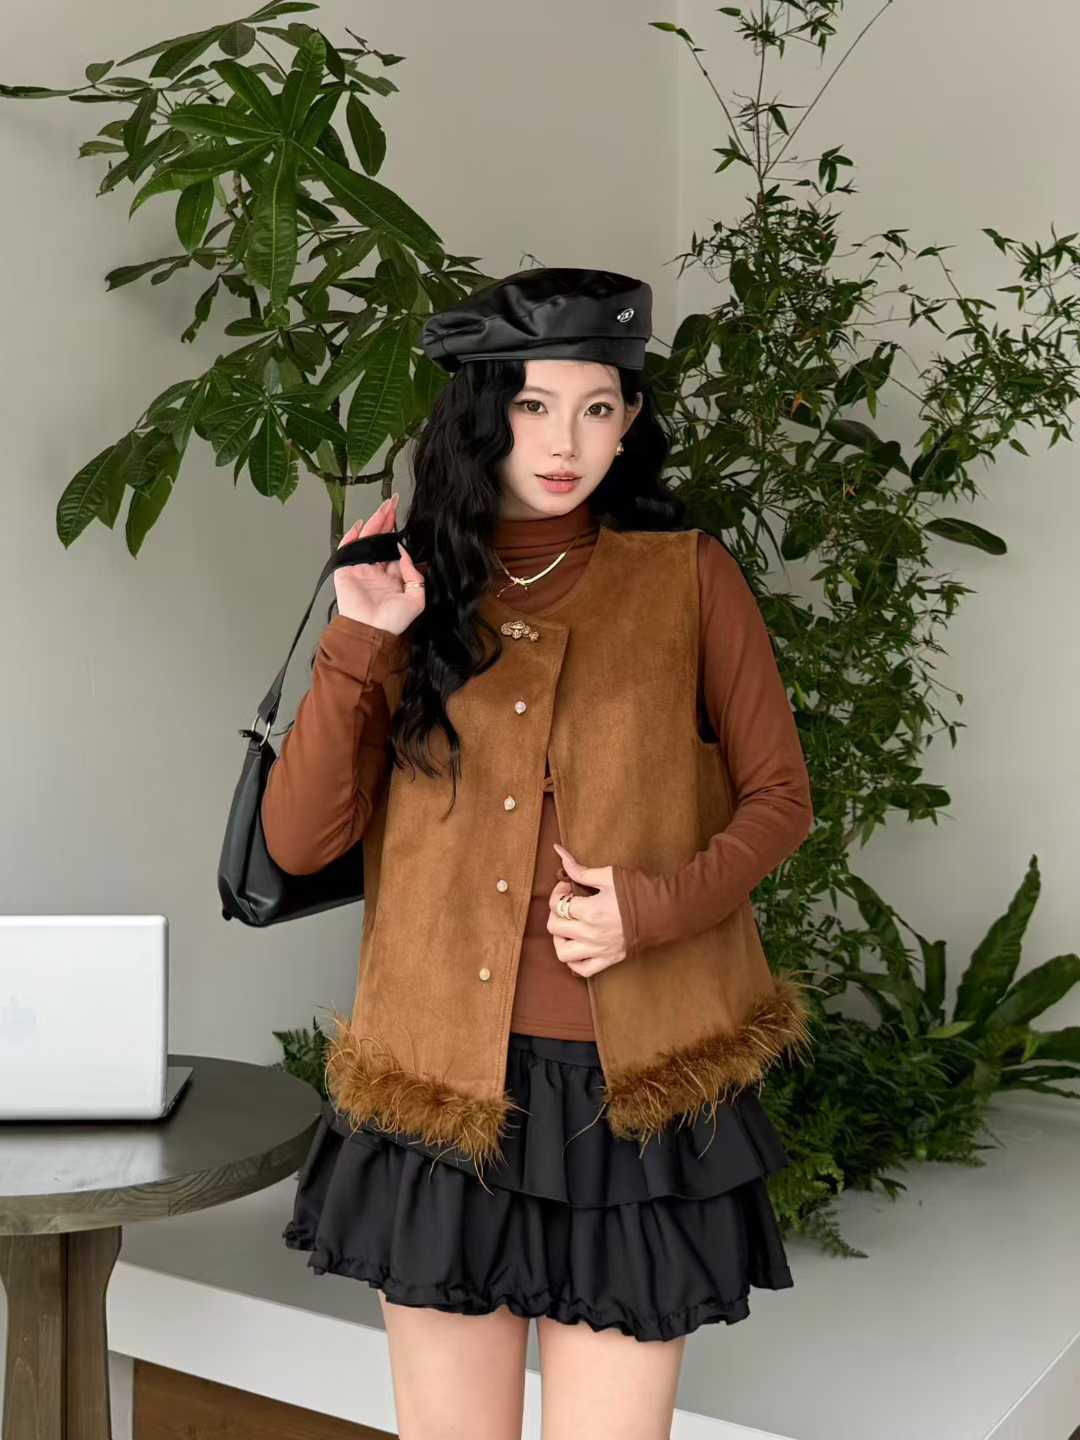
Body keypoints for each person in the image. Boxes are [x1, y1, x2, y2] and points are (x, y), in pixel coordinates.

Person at [267, 268, 814, 1439]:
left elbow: (780, 798)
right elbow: (301, 838)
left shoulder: (687, 577)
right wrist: (360, 638)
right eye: (533, 405)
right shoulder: (410, 589)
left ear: (630, 420)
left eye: (598, 408)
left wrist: (650, 912)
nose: (566, 442)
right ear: (484, 411)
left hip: (631, 1097)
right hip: (439, 1087)